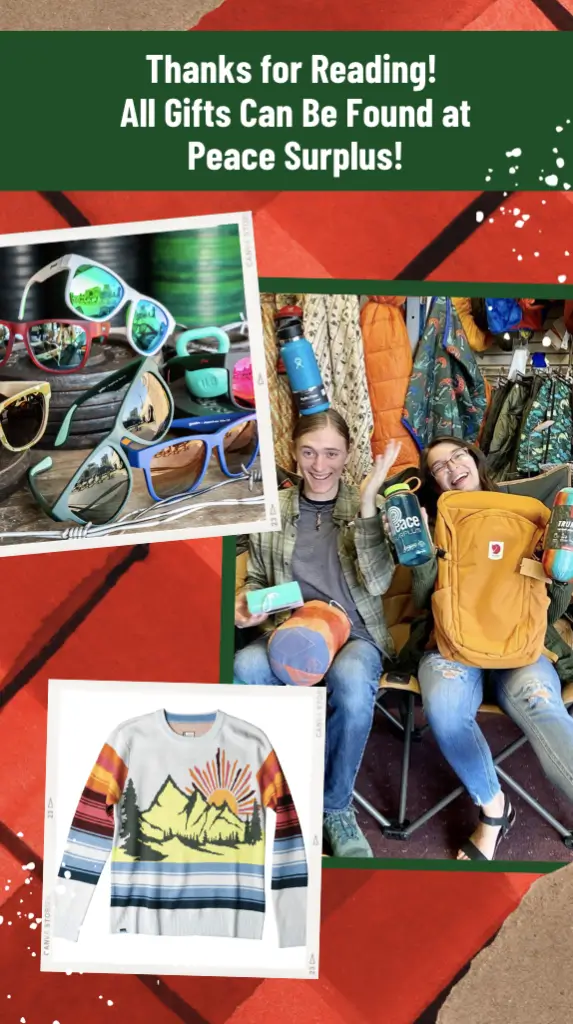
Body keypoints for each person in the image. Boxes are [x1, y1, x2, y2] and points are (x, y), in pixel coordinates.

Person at [234, 410, 400, 858]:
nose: (320, 465)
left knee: (350, 684)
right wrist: (247, 604)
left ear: (347, 455)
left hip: (356, 634)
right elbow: (255, 581)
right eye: (309, 452)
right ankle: (276, 794)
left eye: (331, 453)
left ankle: (335, 807)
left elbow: (379, 582)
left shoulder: (365, 506)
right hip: (291, 630)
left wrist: (368, 506)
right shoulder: (276, 511)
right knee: (243, 667)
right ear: (294, 451)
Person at [402, 435, 573, 861]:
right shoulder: (438, 523)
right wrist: (424, 554)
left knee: (543, 706)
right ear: (434, 483)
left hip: (522, 644)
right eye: (439, 466)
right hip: (452, 644)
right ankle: (494, 811)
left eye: (458, 455)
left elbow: (552, 611)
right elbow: (424, 601)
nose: (452, 466)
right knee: (443, 709)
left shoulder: (530, 517)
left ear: (475, 460)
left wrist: (561, 569)